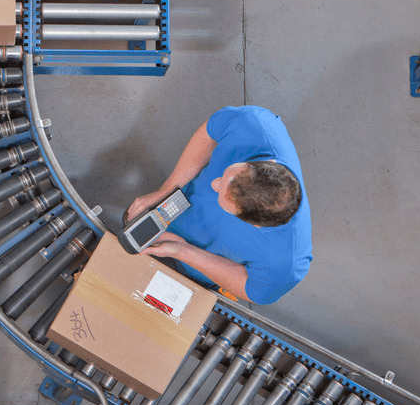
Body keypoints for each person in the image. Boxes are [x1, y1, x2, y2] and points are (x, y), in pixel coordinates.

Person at [125, 106, 311, 304]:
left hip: (197, 271)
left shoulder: (287, 263)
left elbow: (251, 289)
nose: (214, 183)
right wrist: (167, 189)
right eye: (225, 175)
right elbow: (209, 133)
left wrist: (184, 251)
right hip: (173, 215)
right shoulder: (256, 125)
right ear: (267, 162)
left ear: (255, 225)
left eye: (223, 197)